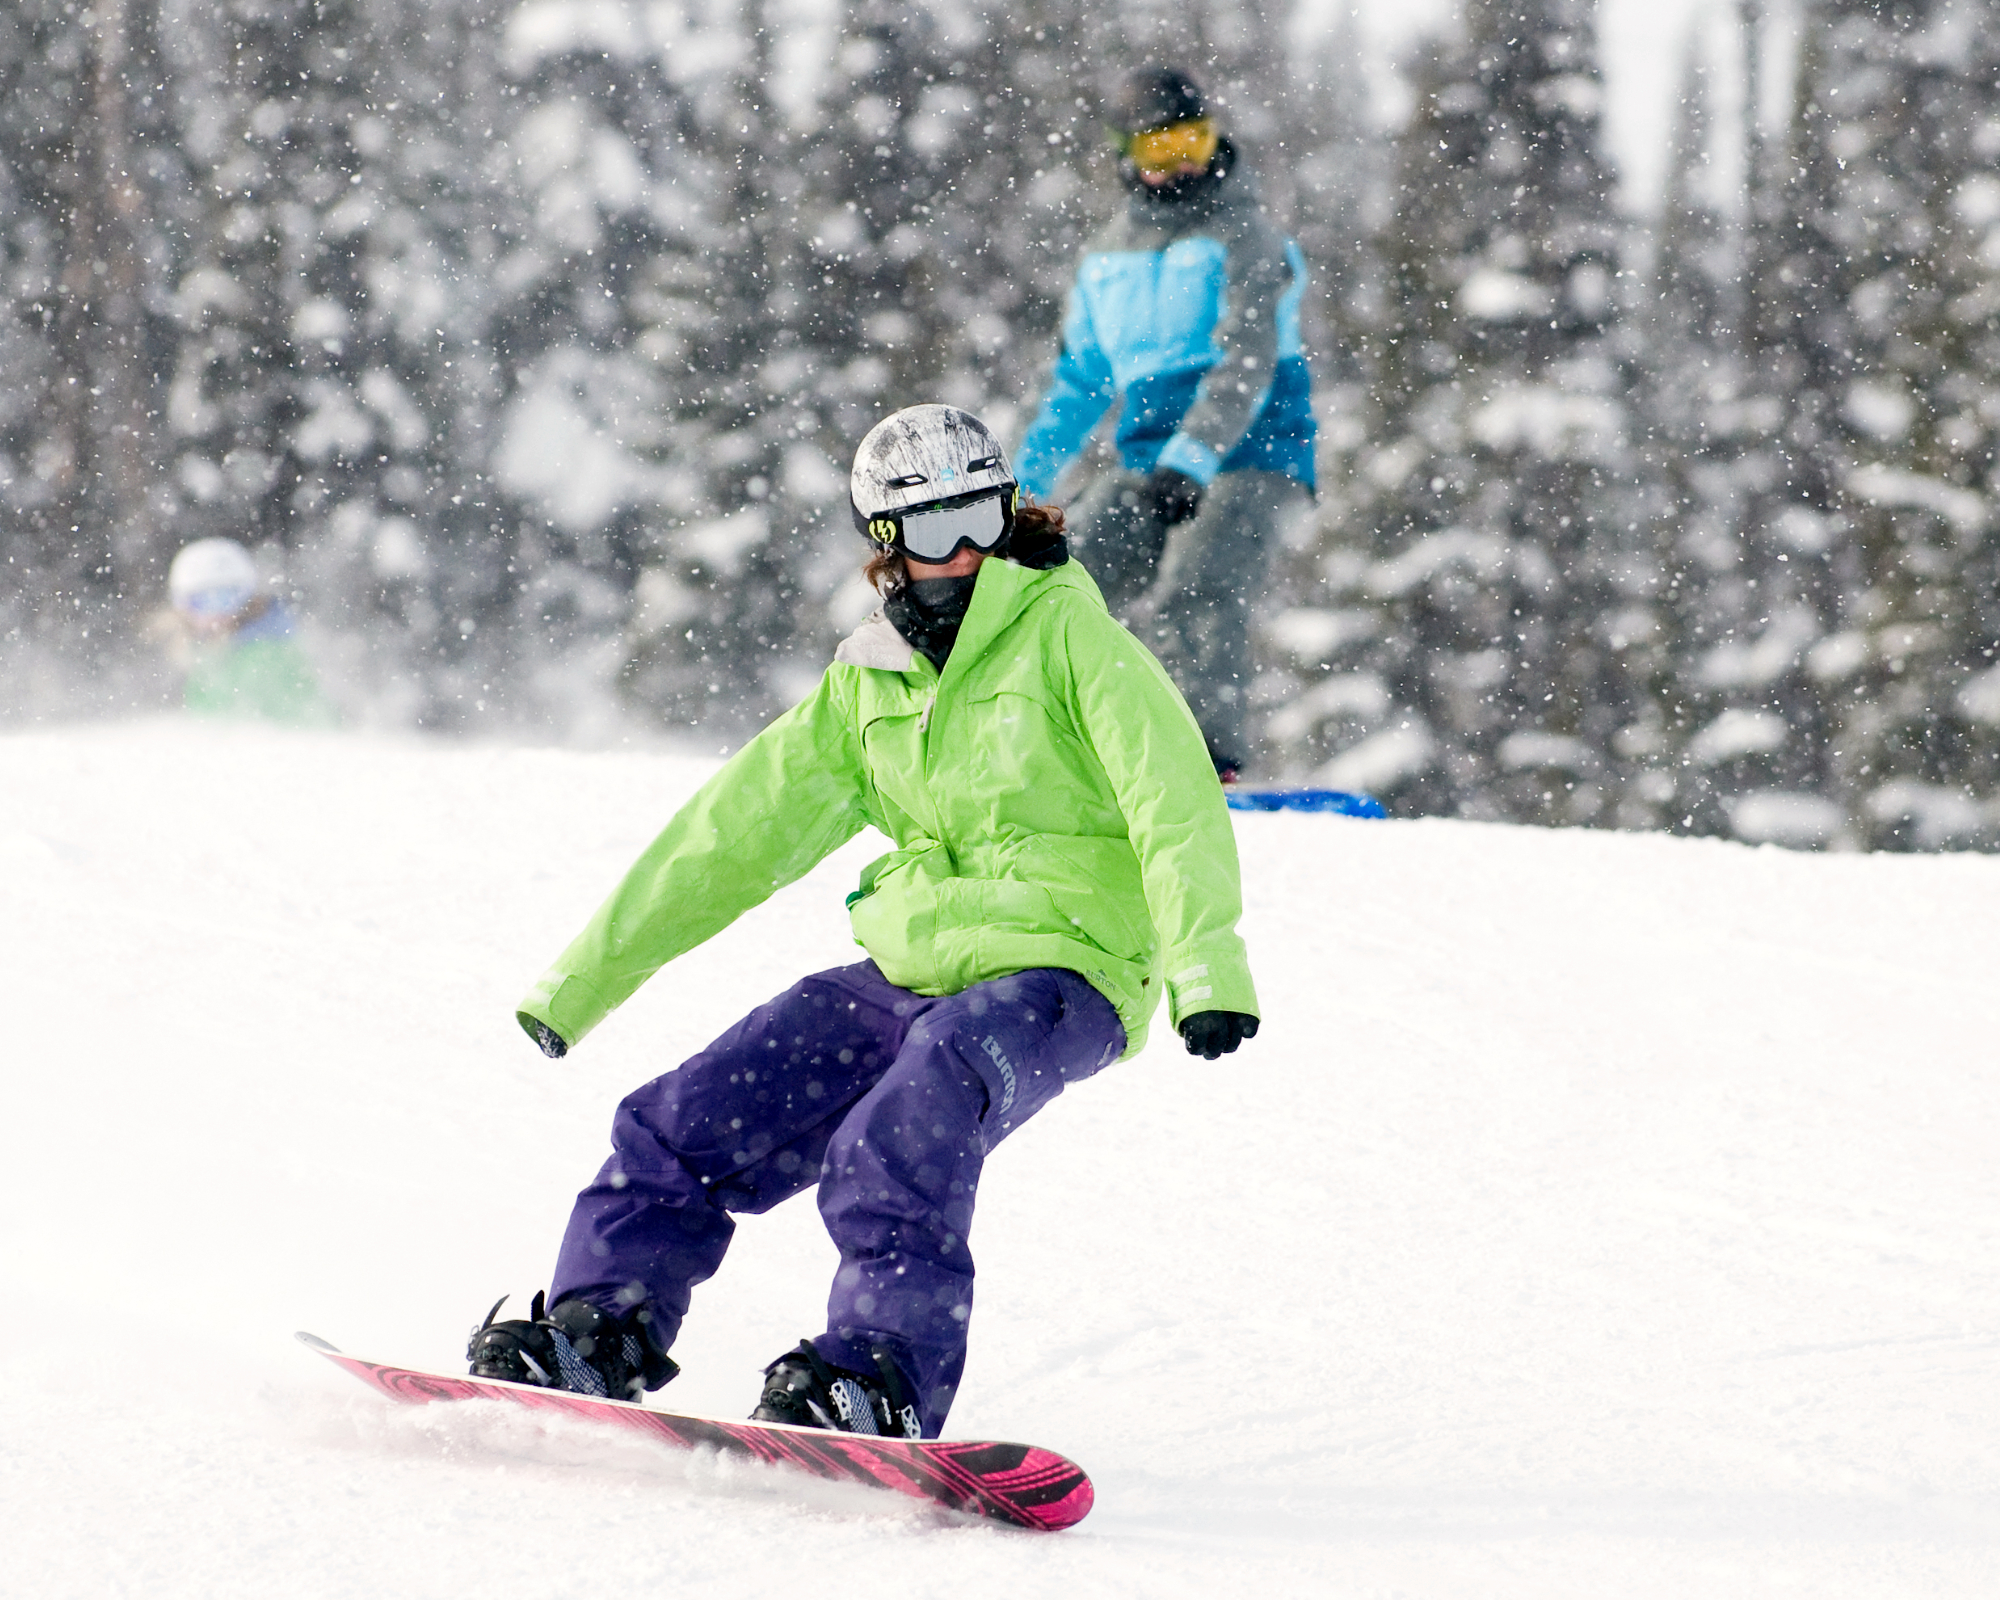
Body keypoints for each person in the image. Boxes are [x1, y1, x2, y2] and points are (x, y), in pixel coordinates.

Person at [469, 404, 1260, 1438]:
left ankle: (877, 1372)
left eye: (979, 516)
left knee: (910, 1117)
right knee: (685, 1115)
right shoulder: (865, 683)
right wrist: (581, 982)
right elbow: (727, 837)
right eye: (931, 531)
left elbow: (1170, 797)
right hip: (918, 961)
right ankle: (597, 1328)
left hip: (1070, 966)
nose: (964, 551)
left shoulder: (1072, 637)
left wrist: (1205, 968)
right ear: (885, 547)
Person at [1014, 64, 1317, 782]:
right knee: (1068, 579)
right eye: (1161, 148)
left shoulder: (1249, 239)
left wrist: (1194, 457)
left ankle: (1206, 768)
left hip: (1252, 451)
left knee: (1198, 589)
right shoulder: (1105, 259)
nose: (1183, 161)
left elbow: (1247, 360)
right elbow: (1077, 383)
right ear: (1127, 155)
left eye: (1194, 141)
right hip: (1153, 462)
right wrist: (1011, 492)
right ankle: (1054, 748)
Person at [161, 537, 334, 725]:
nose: (215, 613)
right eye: (201, 601)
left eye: (224, 598)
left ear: (247, 600)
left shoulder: (264, 654)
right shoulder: (199, 653)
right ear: (181, 608)